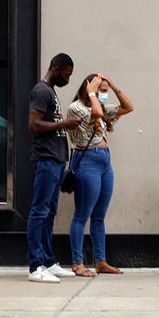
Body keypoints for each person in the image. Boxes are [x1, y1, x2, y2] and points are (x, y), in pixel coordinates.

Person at [66, 72, 134, 276]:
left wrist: (112, 86)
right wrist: (93, 93)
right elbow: (95, 113)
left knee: (99, 216)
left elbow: (128, 107)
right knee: (81, 215)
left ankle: (100, 261)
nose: (104, 95)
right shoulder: (76, 107)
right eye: (101, 90)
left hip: (104, 160)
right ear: (89, 87)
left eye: (106, 91)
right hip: (86, 159)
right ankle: (78, 263)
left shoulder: (102, 106)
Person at [27, 53, 82, 283]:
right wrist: (65, 123)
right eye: (67, 74)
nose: (68, 79)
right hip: (46, 159)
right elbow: (34, 124)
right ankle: (35, 266)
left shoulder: (50, 92)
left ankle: (48, 262)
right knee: (39, 211)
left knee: (49, 213)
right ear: (58, 69)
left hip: (56, 161)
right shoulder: (41, 91)